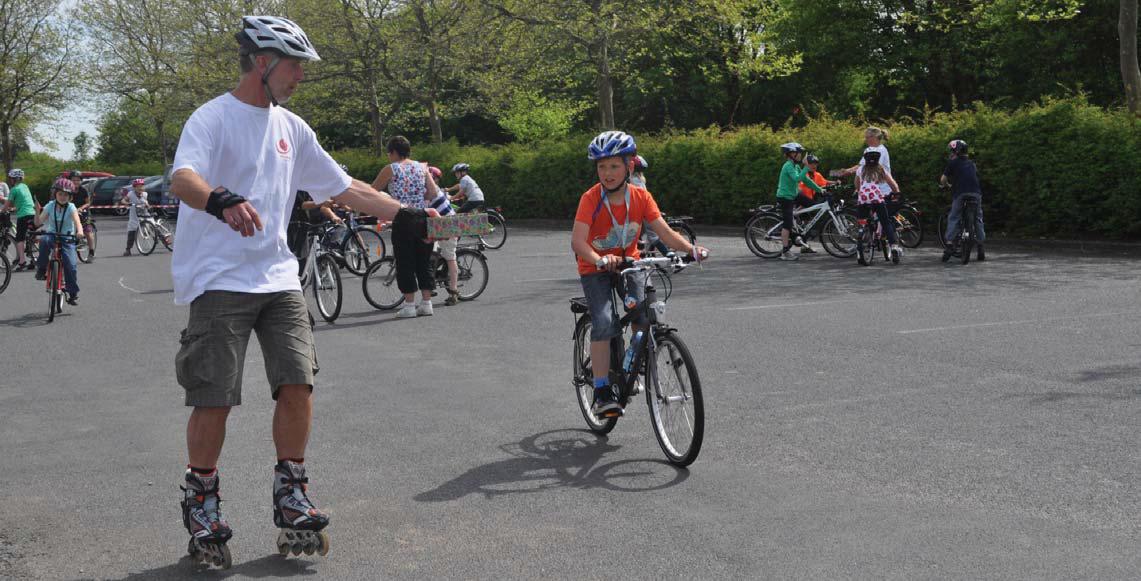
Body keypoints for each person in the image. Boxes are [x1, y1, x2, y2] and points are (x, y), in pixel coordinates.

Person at [168, 15, 415, 566]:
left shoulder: (292, 127)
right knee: (215, 396)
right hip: (218, 280)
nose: (301, 75)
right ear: (262, 62)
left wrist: (411, 217)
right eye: (295, 64)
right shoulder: (212, 118)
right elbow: (182, 178)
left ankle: (292, 491)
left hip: (278, 277)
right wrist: (222, 200)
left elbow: (344, 186)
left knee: (297, 382)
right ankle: (203, 498)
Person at [571, 130, 710, 418]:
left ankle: (634, 364)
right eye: (601, 167)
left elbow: (664, 232)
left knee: (643, 313)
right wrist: (599, 258)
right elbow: (578, 242)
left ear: (629, 166)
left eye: (613, 166)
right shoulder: (590, 199)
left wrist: (691, 250)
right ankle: (601, 391)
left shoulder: (640, 196)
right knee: (606, 322)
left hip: (631, 264)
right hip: (595, 268)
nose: (607, 173)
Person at [372, 136, 440, 319]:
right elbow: (433, 192)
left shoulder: (391, 169)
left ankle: (409, 305)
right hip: (422, 215)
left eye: (389, 153)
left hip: (402, 216)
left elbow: (373, 190)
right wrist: (418, 197)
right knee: (423, 260)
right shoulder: (422, 168)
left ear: (393, 152)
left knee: (405, 261)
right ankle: (426, 303)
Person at [34, 178, 84, 304]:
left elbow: (77, 222)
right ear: (55, 194)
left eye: (66, 194)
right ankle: (41, 268)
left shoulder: (71, 207)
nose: (62, 197)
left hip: (67, 238)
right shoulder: (50, 205)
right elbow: (38, 223)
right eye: (60, 194)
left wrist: (80, 231)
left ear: (70, 197)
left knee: (71, 265)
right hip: (52, 235)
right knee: (44, 240)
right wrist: (36, 210)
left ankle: (72, 293)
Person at [774, 143, 825, 261]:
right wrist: (806, 167)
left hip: (795, 194)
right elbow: (797, 179)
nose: (801, 155)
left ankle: (801, 233)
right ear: (792, 154)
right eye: (799, 153)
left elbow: (805, 180)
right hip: (785, 197)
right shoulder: (788, 166)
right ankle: (785, 252)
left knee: (813, 206)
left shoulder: (795, 166)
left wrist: (820, 190)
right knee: (787, 224)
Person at [853, 150, 903, 264]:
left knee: (862, 221)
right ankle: (894, 246)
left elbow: (856, 183)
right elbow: (892, 184)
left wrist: (860, 191)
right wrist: (897, 193)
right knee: (886, 222)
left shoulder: (861, 169)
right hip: (876, 198)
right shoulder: (881, 169)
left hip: (863, 198)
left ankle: (863, 235)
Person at [941, 139, 985, 262]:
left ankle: (949, 244)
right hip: (976, 193)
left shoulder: (952, 163)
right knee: (978, 218)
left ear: (956, 151)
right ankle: (981, 246)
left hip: (960, 193)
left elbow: (943, 179)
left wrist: (946, 185)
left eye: (952, 151)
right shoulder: (972, 163)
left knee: (954, 217)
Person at [427, 166, 461, 306]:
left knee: (450, 258)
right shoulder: (431, 190)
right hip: (440, 227)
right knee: (430, 252)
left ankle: (454, 292)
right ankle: (431, 283)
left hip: (449, 227)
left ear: (433, 179)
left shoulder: (433, 191)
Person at [793, 154, 839, 254]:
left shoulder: (817, 175)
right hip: (802, 201)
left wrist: (835, 182)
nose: (814, 166)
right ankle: (803, 241)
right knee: (807, 223)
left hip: (808, 203)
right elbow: (799, 184)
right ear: (807, 164)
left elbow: (825, 182)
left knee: (808, 224)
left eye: (815, 164)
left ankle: (804, 246)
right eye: (811, 164)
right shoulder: (803, 174)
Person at [2, 169, 39, 270]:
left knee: (20, 238)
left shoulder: (14, 190)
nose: (10, 180)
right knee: (31, 235)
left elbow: (6, 205)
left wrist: (2, 211)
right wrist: (14, 208)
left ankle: (22, 262)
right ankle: (34, 258)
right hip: (32, 213)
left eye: (11, 178)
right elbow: (24, 201)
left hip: (23, 215)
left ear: (14, 179)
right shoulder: (25, 186)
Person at [68, 171, 95, 261]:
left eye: (78, 180)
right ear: (70, 180)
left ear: (81, 181)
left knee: (88, 231)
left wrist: (81, 208)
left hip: (84, 212)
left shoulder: (83, 190)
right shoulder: (68, 190)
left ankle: (91, 252)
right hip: (71, 212)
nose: (76, 182)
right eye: (73, 180)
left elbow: (88, 203)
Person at [122, 178, 149, 256]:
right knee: (131, 233)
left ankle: (163, 239)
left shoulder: (145, 194)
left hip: (145, 215)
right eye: (138, 186)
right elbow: (123, 200)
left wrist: (147, 205)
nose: (140, 188)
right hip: (134, 217)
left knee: (153, 225)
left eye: (142, 186)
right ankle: (128, 249)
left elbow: (147, 203)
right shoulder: (131, 194)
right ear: (134, 187)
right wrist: (127, 203)